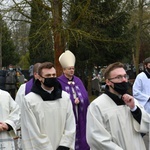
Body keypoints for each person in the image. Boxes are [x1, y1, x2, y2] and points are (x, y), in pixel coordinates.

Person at [86, 62, 150, 150]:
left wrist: (134, 109)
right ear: (108, 82)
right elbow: (96, 139)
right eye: (118, 77)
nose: (124, 80)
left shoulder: (132, 101)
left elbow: (146, 125)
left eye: (125, 76)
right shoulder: (97, 106)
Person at [21, 62, 75, 150]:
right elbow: (32, 130)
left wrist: (64, 145)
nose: (52, 78)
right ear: (39, 77)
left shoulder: (65, 97)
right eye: (48, 75)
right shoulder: (30, 101)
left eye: (54, 75)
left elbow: (70, 124)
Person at [58, 50, 90, 150]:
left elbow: (85, 96)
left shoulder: (78, 80)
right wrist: (71, 101)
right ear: (64, 70)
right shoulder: (58, 82)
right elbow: (59, 99)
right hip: (68, 115)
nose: (72, 70)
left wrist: (80, 100)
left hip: (80, 114)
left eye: (73, 68)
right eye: (69, 69)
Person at [15, 63, 41, 150]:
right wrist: (18, 127)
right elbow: (17, 108)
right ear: (35, 74)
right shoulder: (24, 88)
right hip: (28, 125)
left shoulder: (50, 88)